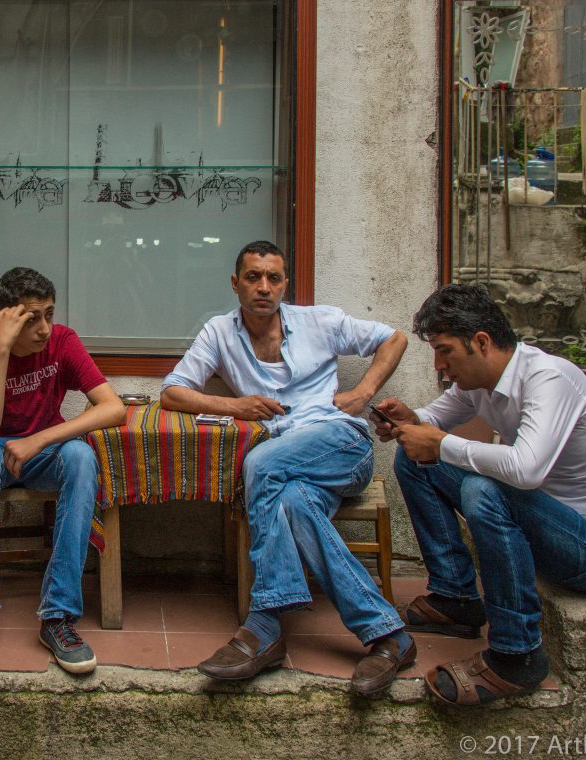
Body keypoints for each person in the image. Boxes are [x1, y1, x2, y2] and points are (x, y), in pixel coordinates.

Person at [374, 284, 586, 706]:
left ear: (482, 342)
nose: (440, 365)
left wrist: (437, 442)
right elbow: (438, 419)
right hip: (559, 524)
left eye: (445, 351)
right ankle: (456, 599)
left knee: (485, 488)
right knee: (415, 460)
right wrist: (411, 421)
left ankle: (518, 654)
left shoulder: (549, 377)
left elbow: (526, 469)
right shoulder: (480, 381)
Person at [160, 240, 414, 698]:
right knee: (293, 504)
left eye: (273, 278)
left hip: (340, 445)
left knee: (259, 464)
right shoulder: (219, 331)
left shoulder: (319, 320)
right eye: (253, 277)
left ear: (285, 285)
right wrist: (234, 403)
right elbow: (173, 391)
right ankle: (388, 636)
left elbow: (394, 338)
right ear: (235, 284)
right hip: (289, 464)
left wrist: (362, 393)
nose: (264, 287)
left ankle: (265, 623)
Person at [0, 267, 125, 675]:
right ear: (6, 318)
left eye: (49, 314)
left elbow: (113, 408)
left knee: (82, 458)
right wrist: (2, 349)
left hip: (42, 451)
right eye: (32, 318)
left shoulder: (63, 342)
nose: (45, 328)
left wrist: (42, 439)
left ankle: (58, 616)